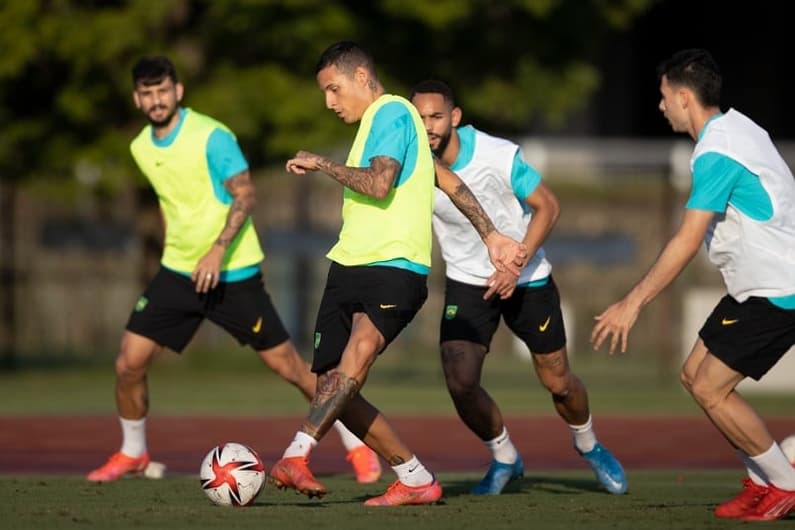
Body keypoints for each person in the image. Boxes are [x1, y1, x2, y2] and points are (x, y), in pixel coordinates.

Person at [86, 55, 382, 485]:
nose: (156, 100)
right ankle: (133, 452)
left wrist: (216, 251)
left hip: (233, 272)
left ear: (178, 91)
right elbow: (177, 204)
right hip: (178, 272)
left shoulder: (211, 136)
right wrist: (185, 252)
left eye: (162, 91)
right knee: (128, 364)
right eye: (147, 94)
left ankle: (356, 445)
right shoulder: (140, 148)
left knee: (293, 370)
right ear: (137, 99)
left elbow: (245, 196)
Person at [266, 41, 527, 507]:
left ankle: (296, 453)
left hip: (392, 266)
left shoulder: (391, 112)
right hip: (350, 260)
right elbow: (445, 178)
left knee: (357, 356)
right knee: (332, 384)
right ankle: (414, 477)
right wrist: (490, 234)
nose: (329, 102)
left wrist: (322, 162)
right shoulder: (381, 124)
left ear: (362, 77)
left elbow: (380, 182)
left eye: (333, 89)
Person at [590, 48, 795, 521]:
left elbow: (685, 240)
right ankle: (764, 479)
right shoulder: (739, 129)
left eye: (663, 97)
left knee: (711, 388)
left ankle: (783, 484)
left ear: (684, 97)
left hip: (774, 287)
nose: (660, 106)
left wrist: (632, 302)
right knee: (693, 376)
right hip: (756, 284)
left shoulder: (717, 150)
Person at [409, 80, 627, 496]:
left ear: (454, 117)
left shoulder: (497, 155)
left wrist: (516, 263)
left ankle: (589, 444)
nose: (427, 126)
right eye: (419, 118)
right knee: (460, 380)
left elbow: (550, 205)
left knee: (558, 382)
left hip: (527, 279)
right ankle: (505, 457)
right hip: (467, 283)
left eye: (436, 116)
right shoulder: (414, 163)